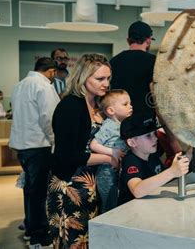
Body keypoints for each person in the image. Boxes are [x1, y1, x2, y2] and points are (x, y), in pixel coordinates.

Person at [47, 53, 118, 248]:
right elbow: (66, 156)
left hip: (93, 185)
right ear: (82, 77)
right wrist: (107, 157)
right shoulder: (70, 107)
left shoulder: (99, 105)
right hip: (70, 187)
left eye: (108, 78)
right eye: (100, 79)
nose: (106, 83)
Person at [9, 57, 60, 247]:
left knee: (30, 190)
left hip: (21, 145)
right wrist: (55, 140)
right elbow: (48, 117)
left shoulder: (19, 85)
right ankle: (39, 236)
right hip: (39, 145)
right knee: (39, 193)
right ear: (51, 71)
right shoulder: (43, 86)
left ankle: (31, 228)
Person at [118, 113, 189, 205]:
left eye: (154, 133)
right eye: (148, 136)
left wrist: (192, 150)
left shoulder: (152, 155)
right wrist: (172, 172)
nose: (155, 138)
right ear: (132, 142)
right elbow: (137, 191)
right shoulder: (130, 161)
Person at [89, 89, 132, 213]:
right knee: (110, 206)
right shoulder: (109, 125)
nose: (130, 106)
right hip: (107, 173)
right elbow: (94, 145)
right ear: (111, 110)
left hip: (118, 171)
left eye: (130, 103)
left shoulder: (122, 124)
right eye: (125, 104)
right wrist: (112, 152)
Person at [110, 21, 156, 117]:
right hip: (145, 120)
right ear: (148, 41)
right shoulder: (155, 62)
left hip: (118, 119)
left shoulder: (113, 62)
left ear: (128, 40)